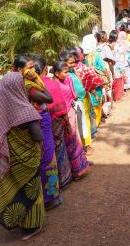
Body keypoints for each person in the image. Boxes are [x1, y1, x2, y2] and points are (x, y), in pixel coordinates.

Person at [0, 71, 45, 241]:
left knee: (17, 187)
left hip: (8, 158)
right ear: (19, 87)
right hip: (27, 159)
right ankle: (33, 225)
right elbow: (38, 135)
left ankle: (17, 219)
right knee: (32, 189)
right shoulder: (25, 109)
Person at [17, 56, 64, 210]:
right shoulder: (28, 86)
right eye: (29, 67)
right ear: (19, 70)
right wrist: (38, 80)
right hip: (39, 124)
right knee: (46, 159)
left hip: (42, 122)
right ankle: (48, 198)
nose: (33, 71)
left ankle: (50, 194)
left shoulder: (29, 83)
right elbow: (49, 98)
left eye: (33, 68)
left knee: (48, 158)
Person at [53, 61, 90, 180]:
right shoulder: (54, 85)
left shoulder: (68, 79)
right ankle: (73, 171)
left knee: (75, 140)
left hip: (70, 112)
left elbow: (73, 95)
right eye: (65, 72)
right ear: (57, 74)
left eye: (68, 71)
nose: (68, 74)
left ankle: (79, 167)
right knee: (67, 142)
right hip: (61, 116)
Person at [41, 61, 73, 189]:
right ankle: (63, 179)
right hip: (55, 122)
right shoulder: (52, 84)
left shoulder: (30, 85)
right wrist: (67, 123)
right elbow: (60, 106)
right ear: (44, 69)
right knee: (58, 149)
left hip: (39, 124)